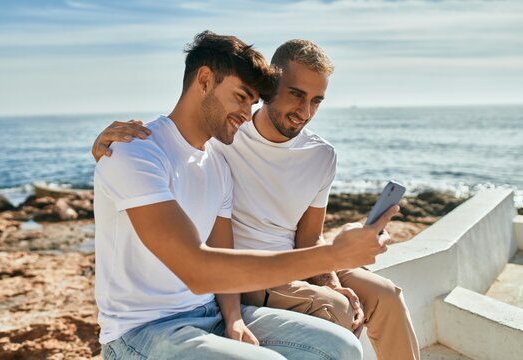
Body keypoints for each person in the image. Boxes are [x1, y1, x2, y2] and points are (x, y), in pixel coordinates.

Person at [93, 30, 401, 360]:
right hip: (143, 332)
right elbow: (198, 270)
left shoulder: (217, 163)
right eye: (241, 97)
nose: (246, 113)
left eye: (252, 102)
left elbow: (221, 249)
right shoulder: (135, 151)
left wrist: (234, 318)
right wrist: (336, 255)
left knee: (342, 347)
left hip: (209, 314)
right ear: (205, 80)